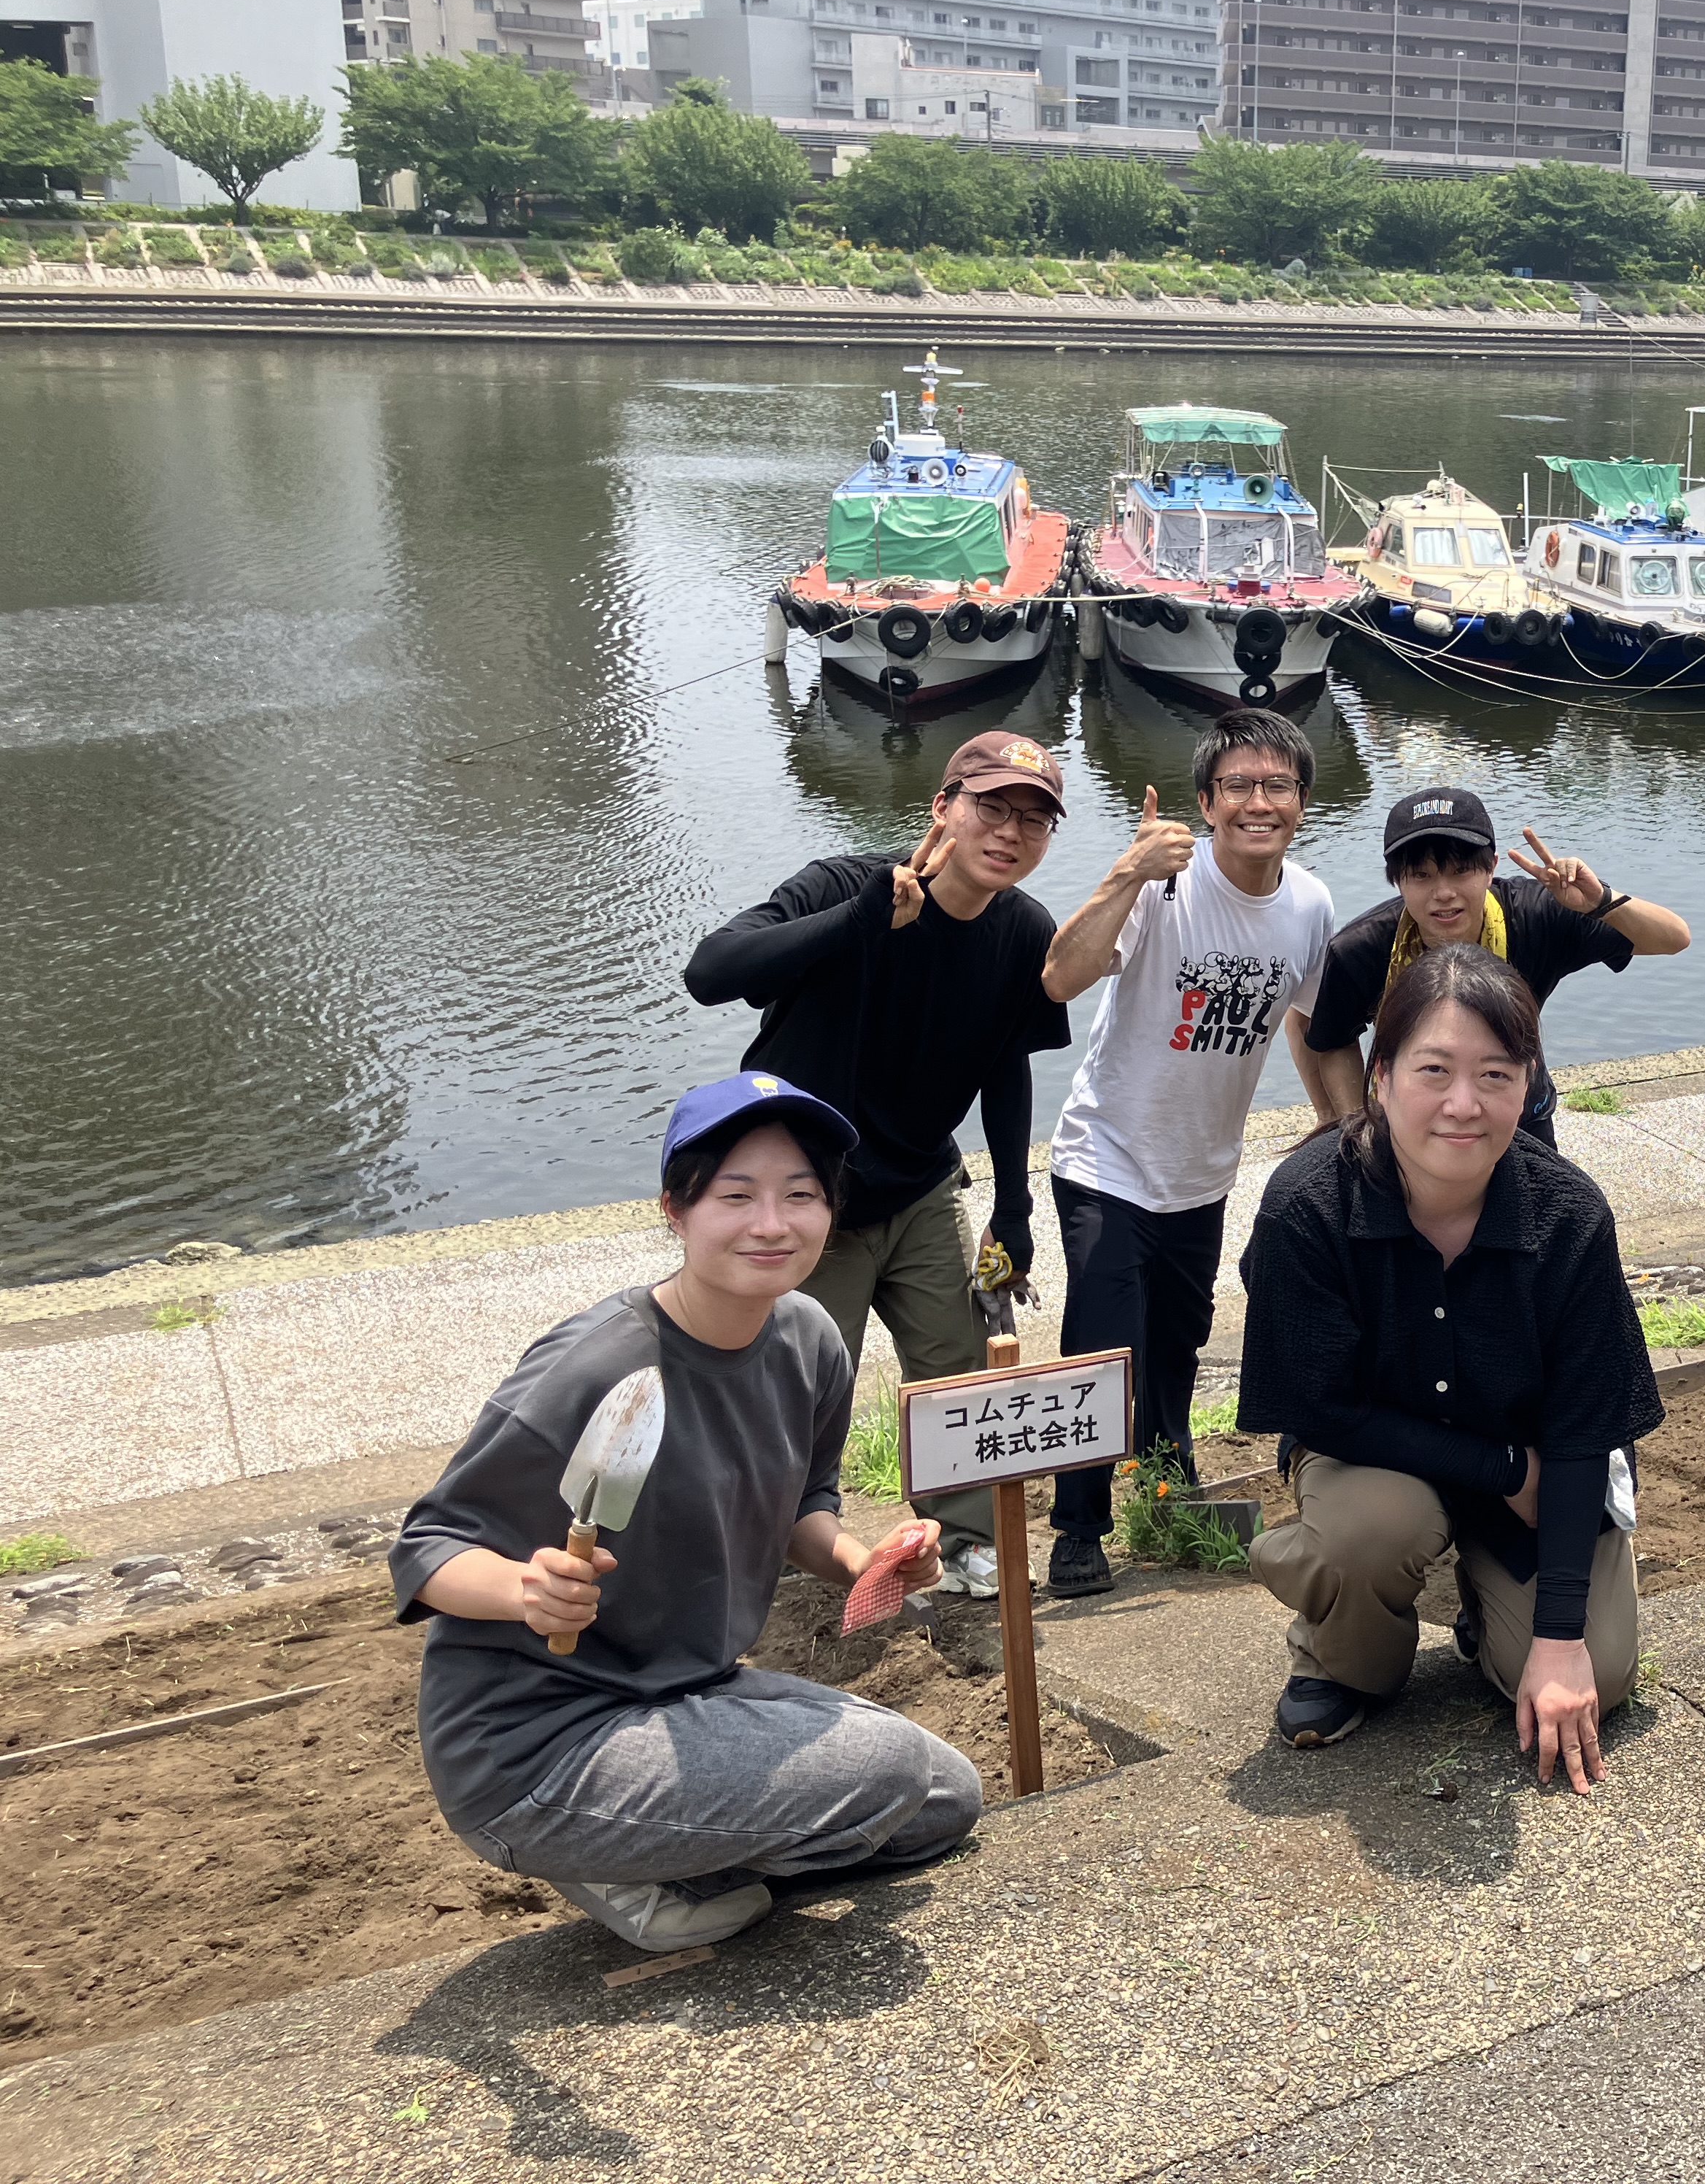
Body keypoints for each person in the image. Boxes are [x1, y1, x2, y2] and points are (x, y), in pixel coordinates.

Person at [390, 1074, 976, 1954]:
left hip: (682, 1689)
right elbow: (427, 1547)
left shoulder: (810, 1340)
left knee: (942, 1802)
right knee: (884, 1770)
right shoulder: (597, 1367)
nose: (771, 1223)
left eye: (801, 1195)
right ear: (675, 1209)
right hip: (540, 1742)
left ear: (830, 1210)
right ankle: (606, 1855)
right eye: (735, 1196)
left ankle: (680, 1854)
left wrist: (863, 1561)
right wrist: (523, 1590)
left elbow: (799, 1509)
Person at [1238, 944, 1661, 1789]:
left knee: (1598, 1678)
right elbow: (1318, 1405)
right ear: (1382, 1077)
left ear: (1529, 1084)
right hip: (1376, 1457)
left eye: (1497, 1076)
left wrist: (1560, 1640)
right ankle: (1340, 1653)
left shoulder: (1570, 1215)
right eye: (1434, 1070)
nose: (1464, 1105)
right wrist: (1499, 1467)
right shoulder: (1307, 1206)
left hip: (1543, 1467)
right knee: (1368, 1535)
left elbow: (1583, 1434)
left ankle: (1483, 1608)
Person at [683, 731, 1071, 1600]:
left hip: (924, 1185)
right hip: (806, 1198)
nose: (1010, 833)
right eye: (991, 808)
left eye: (1034, 820)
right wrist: (856, 921)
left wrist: (1015, 1205)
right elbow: (710, 973)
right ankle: (766, 1552)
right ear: (943, 808)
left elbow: (1005, 1068)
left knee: (958, 1370)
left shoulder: (1022, 932)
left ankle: (966, 1543)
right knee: (796, 1383)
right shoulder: (842, 884)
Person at [1035, 709, 1336, 1598]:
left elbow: (1309, 1024)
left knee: (1177, 1341)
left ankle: (1169, 1487)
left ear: (1302, 803)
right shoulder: (1165, 884)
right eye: (1238, 785)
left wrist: (1341, 1127)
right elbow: (1059, 975)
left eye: (1276, 785)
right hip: (1107, 1156)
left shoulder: (1310, 904)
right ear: (1205, 803)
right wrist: (1128, 870)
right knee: (1104, 1344)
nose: (1258, 802)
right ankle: (1077, 1527)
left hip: (1202, 1169)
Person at [1299, 786, 1690, 1149]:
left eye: (1461, 871)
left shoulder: (1539, 913)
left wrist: (1600, 902)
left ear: (1491, 868)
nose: (1444, 893)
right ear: (1397, 881)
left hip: (1520, 1113)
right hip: (1408, 1119)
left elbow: (1673, 938)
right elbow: (1334, 1039)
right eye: (1421, 875)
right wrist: (1357, 1126)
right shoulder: (1361, 948)